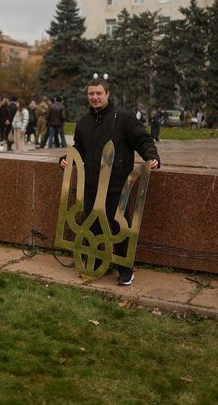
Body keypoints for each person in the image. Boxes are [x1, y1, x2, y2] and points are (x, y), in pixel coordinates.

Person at [59, 78, 159, 286]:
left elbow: (143, 139)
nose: (94, 97)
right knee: (92, 225)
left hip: (116, 186)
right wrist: (68, 158)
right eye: (91, 94)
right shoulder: (84, 122)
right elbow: (80, 147)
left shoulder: (124, 118)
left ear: (107, 94)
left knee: (119, 227)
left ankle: (125, 269)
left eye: (98, 93)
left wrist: (151, 156)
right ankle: (96, 262)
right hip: (91, 186)